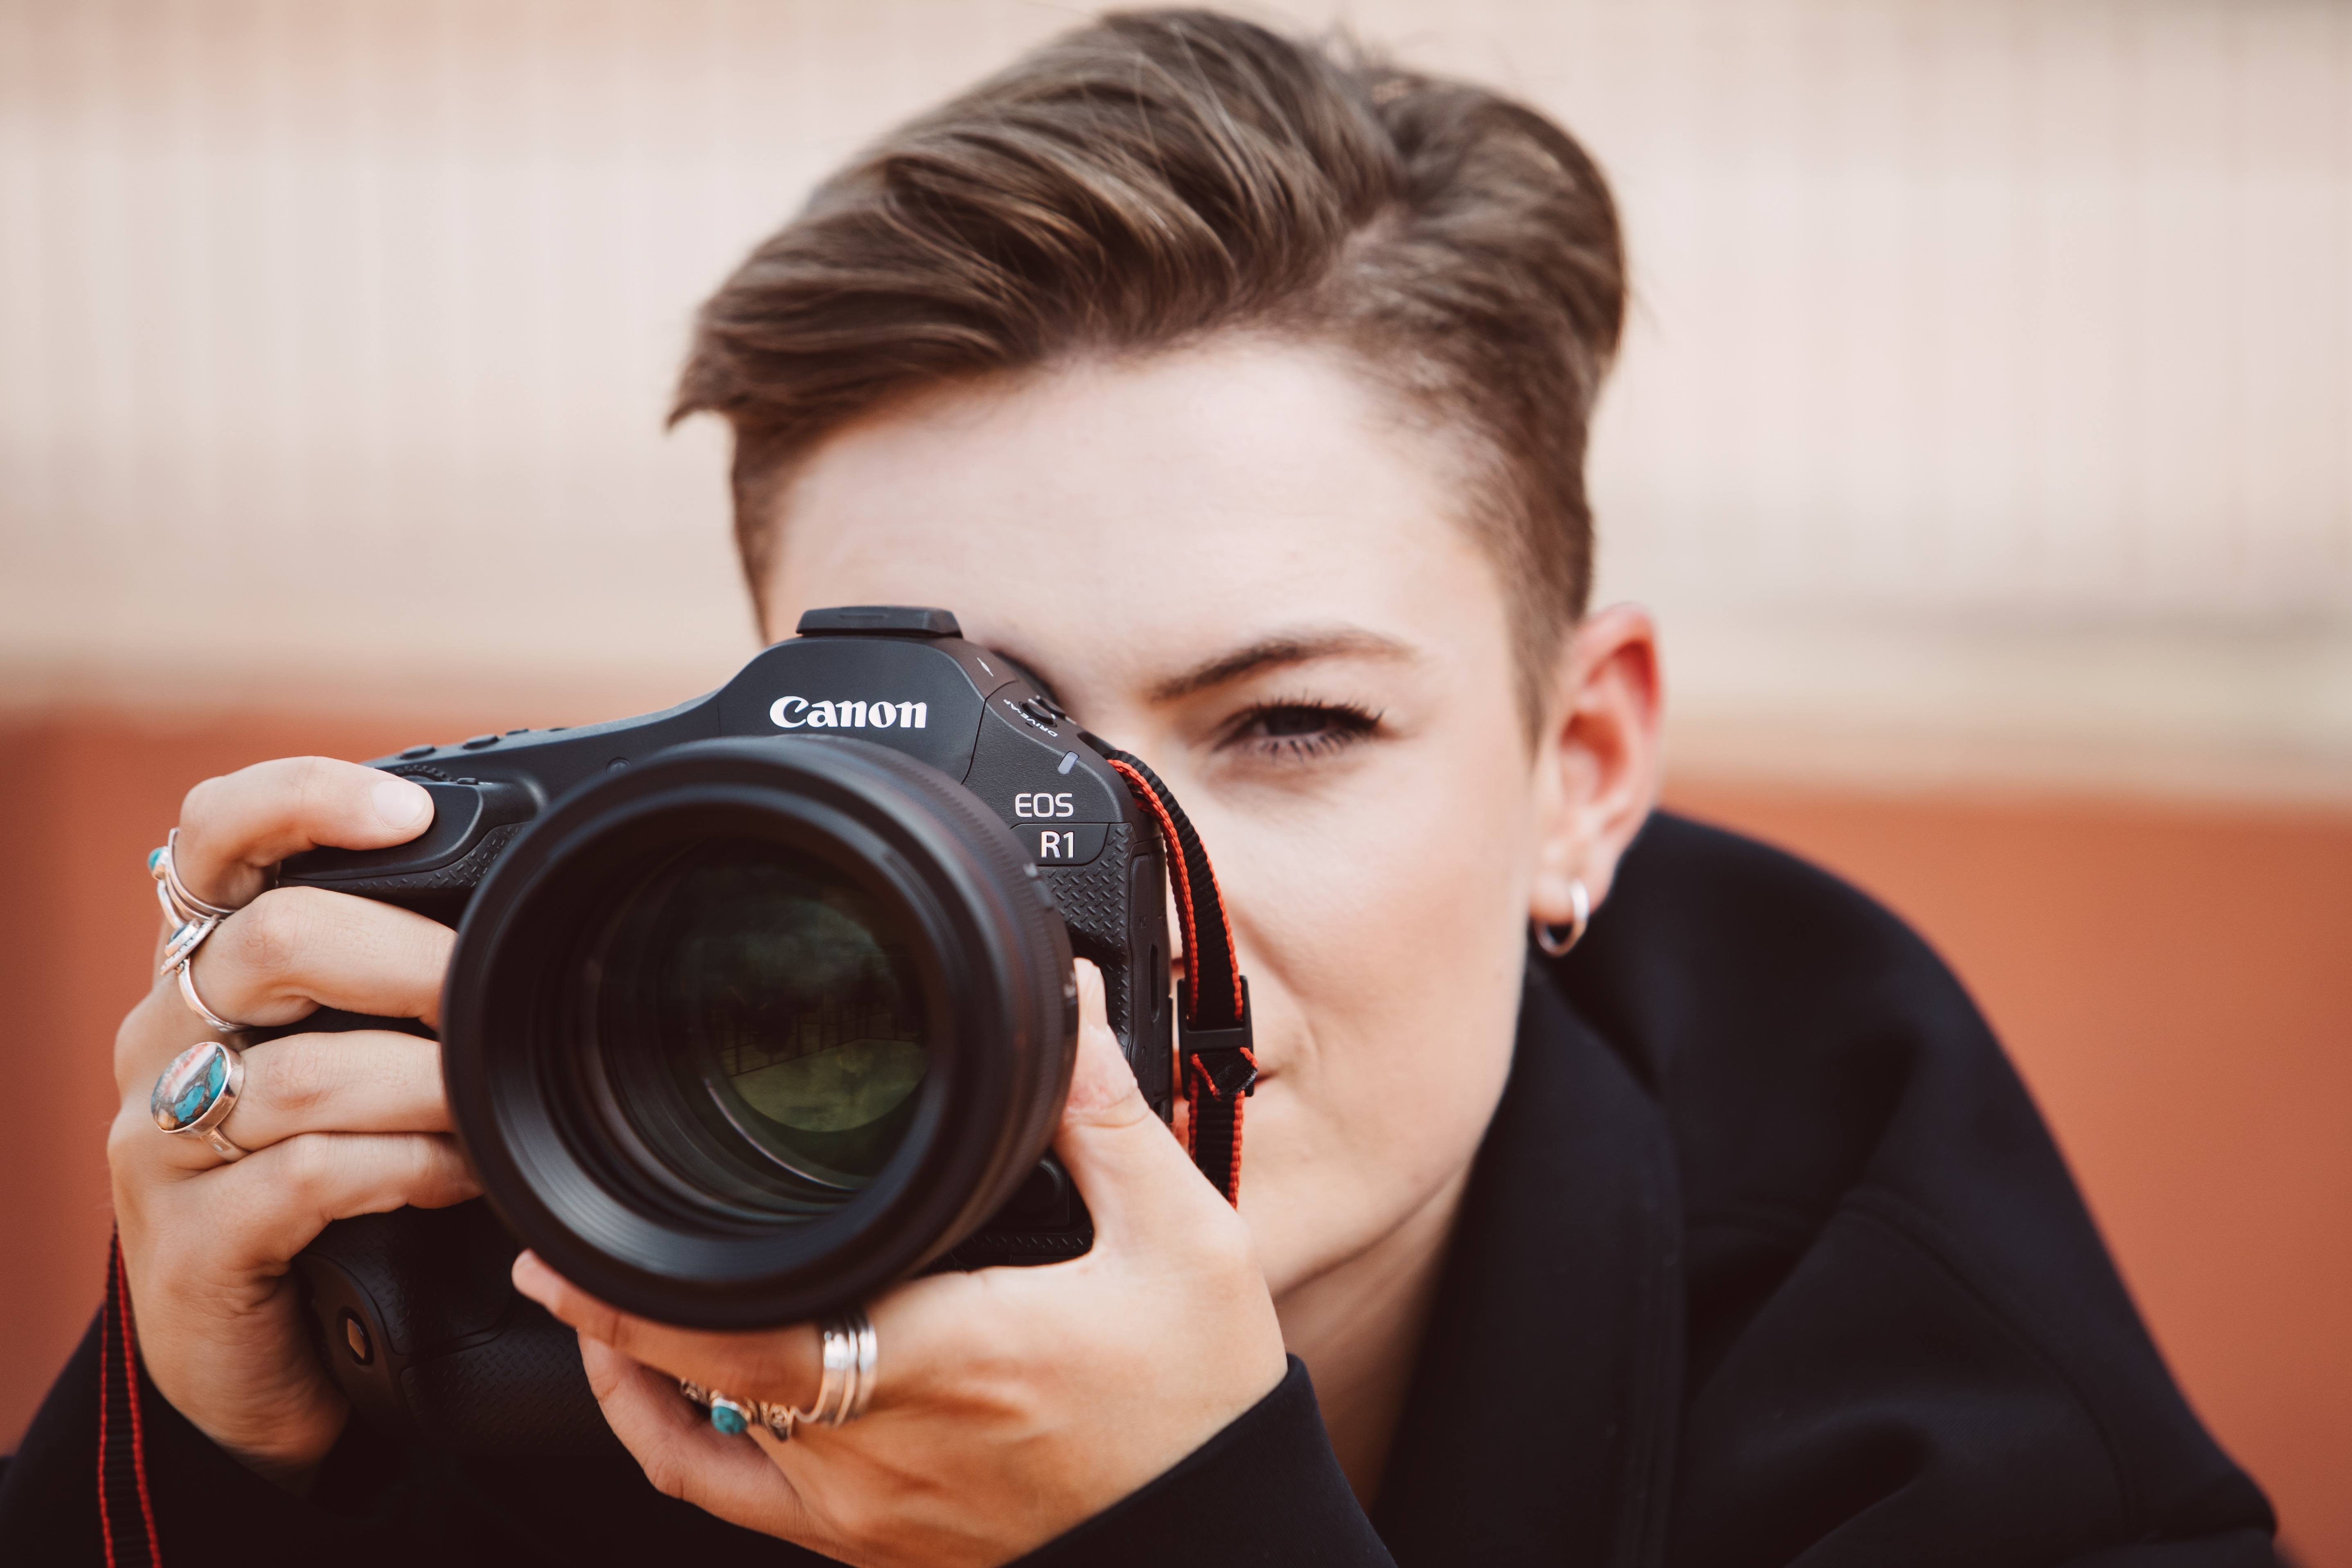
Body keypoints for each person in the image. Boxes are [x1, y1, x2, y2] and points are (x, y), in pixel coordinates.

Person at [0, 11, 2281, 1566]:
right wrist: (208, 1462)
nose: (1102, 900)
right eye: (964, 754)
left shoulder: (1922, 1393)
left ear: (1578, 772)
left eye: (1286, 727)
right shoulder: (600, 1163)